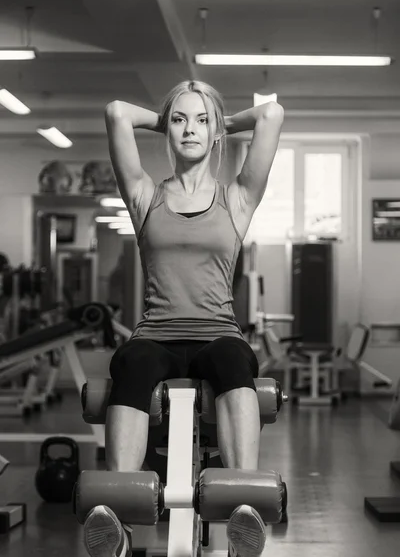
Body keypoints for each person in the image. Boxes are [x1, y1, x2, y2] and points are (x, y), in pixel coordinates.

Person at [83, 80, 284, 557]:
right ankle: (116, 517)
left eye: (200, 120)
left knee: (238, 361)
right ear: (166, 130)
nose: (189, 129)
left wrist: (219, 123)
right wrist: (169, 119)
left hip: (218, 334)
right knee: (130, 363)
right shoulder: (144, 196)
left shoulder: (234, 199)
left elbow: (272, 115)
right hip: (156, 335)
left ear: (215, 132)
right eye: (179, 120)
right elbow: (115, 110)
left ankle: (241, 509)